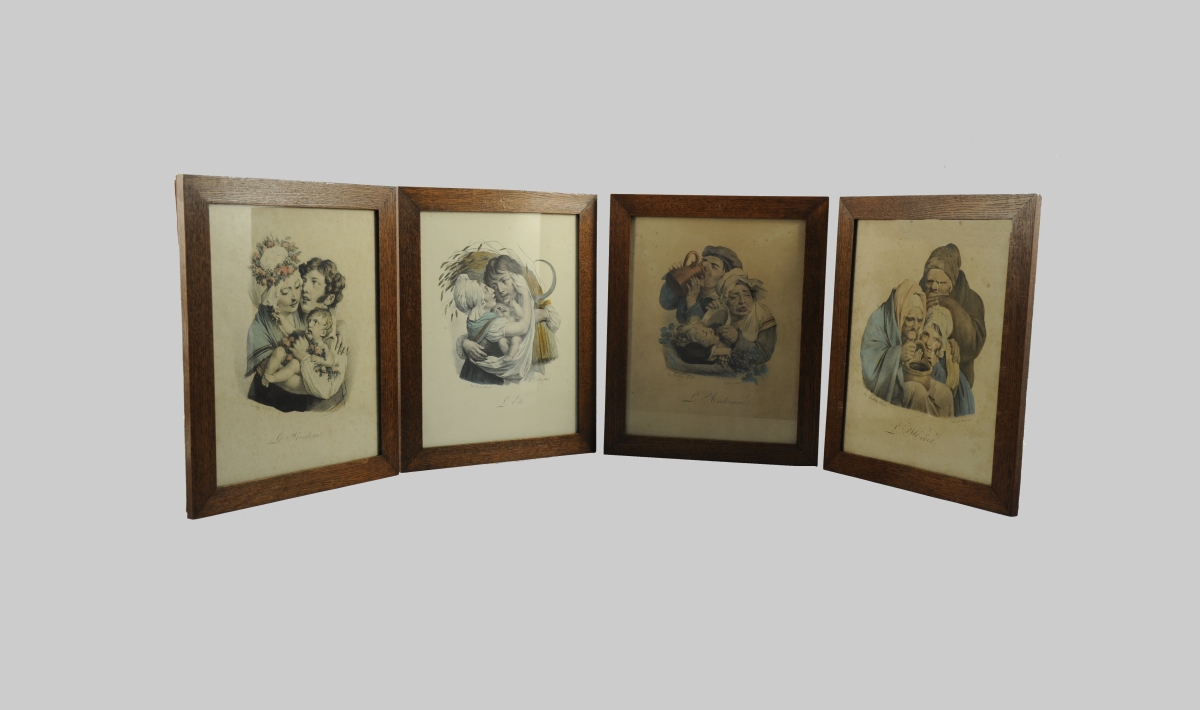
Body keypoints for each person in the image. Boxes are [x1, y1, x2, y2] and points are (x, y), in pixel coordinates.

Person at [452, 273, 542, 384]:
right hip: (483, 379)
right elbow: (523, 327)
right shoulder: (492, 324)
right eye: (486, 290)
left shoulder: (476, 319)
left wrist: (463, 342)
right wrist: (526, 294)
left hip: (471, 373)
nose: (492, 290)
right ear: (479, 300)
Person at [921, 244, 986, 386]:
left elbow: (973, 346)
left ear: (952, 285)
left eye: (941, 282)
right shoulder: (920, 292)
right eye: (930, 281)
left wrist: (948, 303)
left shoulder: (973, 300)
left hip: (958, 377)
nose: (934, 287)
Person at [861, 279, 926, 407]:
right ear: (900, 313)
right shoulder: (878, 321)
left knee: (944, 394)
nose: (916, 326)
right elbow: (868, 369)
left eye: (919, 320)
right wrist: (898, 354)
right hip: (881, 396)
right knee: (918, 392)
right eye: (910, 319)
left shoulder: (907, 327)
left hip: (904, 380)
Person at [708, 269, 777, 366]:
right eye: (734, 297)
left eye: (747, 295)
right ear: (725, 302)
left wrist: (738, 340)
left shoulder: (762, 314)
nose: (742, 301)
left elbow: (765, 353)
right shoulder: (719, 314)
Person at [658, 246, 742, 323]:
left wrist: (691, 302)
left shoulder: (718, 305)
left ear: (723, 278)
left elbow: (699, 331)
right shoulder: (688, 287)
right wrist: (673, 278)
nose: (704, 265)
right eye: (704, 261)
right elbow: (665, 304)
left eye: (714, 266)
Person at [261, 309, 340, 389]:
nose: (310, 324)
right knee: (279, 350)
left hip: (303, 370)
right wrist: (282, 319)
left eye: (315, 322)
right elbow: (290, 330)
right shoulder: (303, 334)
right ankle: (266, 376)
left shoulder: (322, 346)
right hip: (289, 359)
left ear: (323, 332)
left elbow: (331, 361)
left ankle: (274, 378)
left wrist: (319, 360)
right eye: (309, 321)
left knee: (294, 363)